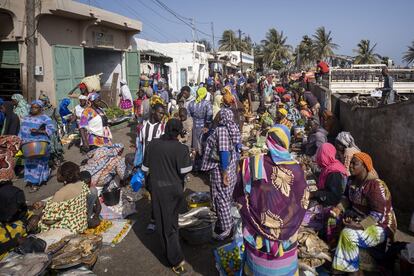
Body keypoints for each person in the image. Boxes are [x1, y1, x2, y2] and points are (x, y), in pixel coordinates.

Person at [234, 125, 308, 275]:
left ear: (268, 141)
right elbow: (303, 199)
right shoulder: (296, 168)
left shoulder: (252, 163)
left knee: (258, 269)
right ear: (286, 142)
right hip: (288, 235)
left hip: (258, 234)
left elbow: (238, 195)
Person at [331, 152, 397, 274]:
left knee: (348, 234)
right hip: (361, 218)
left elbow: (378, 214)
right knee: (333, 221)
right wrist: (338, 208)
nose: (350, 166)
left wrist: (359, 225)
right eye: (350, 162)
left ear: (364, 166)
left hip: (381, 226)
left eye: (354, 163)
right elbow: (346, 198)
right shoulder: (352, 181)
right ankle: (343, 263)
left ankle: (351, 270)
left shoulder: (375, 185)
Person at [142, 119, 192, 275]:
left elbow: (145, 168)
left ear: (165, 129)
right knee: (170, 222)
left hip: (159, 189)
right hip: (175, 190)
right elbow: (185, 171)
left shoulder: (152, 145)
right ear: (179, 132)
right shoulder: (181, 148)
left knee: (166, 223)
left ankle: (173, 255)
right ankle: (175, 257)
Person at [201, 108, 240, 240]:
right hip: (231, 168)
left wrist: (224, 173)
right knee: (227, 197)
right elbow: (237, 147)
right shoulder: (232, 128)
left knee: (221, 199)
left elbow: (224, 152)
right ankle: (226, 222)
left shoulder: (222, 130)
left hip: (221, 169)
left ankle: (227, 229)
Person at [39, 162, 89, 234]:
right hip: (82, 224)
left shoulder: (61, 193)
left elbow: (49, 220)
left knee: (42, 223)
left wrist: (41, 217)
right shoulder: (83, 185)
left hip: (68, 230)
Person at [19, 100, 55, 192]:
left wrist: (39, 131)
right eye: (32, 107)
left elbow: (52, 129)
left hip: (40, 145)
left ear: (40, 108)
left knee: (38, 163)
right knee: (29, 163)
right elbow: (20, 131)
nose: (33, 109)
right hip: (27, 145)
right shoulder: (25, 118)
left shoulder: (45, 118)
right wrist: (19, 142)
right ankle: (31, 180)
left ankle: (35, 183)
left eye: (35, 107)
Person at [0, 181, 40, 260]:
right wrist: (15, 242)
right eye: (14, 207)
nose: (18, 210)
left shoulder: (20, 210)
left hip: (26, 252)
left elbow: (29, 215)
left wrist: (35, 218)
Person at [311, 143, 348, 207]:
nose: (318, 156)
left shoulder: (334, 172)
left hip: (333, 206)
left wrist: (315, 194)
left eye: (320, 154)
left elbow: (334, 197)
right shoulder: (329, 167)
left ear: (323, 155)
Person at [188, 87, 213, 169]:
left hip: (193, 127)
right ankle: (202, 165)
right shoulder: (207, 103)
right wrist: (207, 125)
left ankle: (194, 166)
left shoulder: (191, 103)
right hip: (204, 127)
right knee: (203, 146)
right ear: (205, 95)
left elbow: (188, 115)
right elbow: (209, 115)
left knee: (194, 146)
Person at [134, 103, 165, 168]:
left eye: (163, 114)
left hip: (156, 163)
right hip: (143, 161)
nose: (162, 115)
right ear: (153, 111)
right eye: (160, 113)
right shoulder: (142, 125)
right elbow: (139, 144)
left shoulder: (162, 127)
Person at [39, 94, 64, 165]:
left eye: (42, 100)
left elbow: (58, 117)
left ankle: (57, 158)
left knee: (55, 144)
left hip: (53, 130)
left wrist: (61, 126)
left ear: (46, 100)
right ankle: (49, 159)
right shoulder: (39, 110)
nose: (41, 102)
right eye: (40, 100)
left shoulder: (53, 108)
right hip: (43, 131)